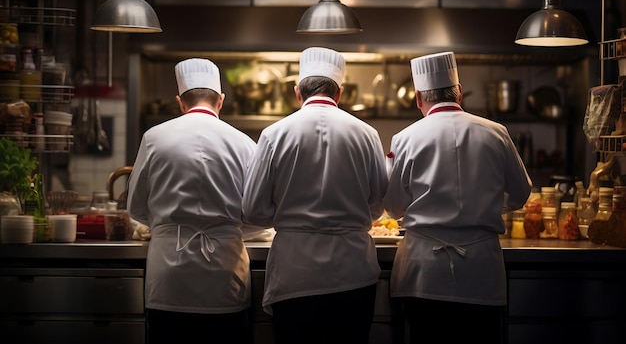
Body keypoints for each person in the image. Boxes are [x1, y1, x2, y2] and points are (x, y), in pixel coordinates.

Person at [382, 51, 532, 344]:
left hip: (424, 274)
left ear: (418, 98)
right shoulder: (496, 133)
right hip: (481, 273)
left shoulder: (406, 138)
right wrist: (485, 204)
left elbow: (393, 208)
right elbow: (521, 193)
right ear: (459, 92)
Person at [241, 46, 389, 344]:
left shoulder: (274, 134)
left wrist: (287, 217)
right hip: (353, 272)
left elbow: (253, 209)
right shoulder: (367, 133)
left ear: (297, 92)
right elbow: (377, 205)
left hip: (296, 273)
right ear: (340, 93)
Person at [127, 58, 257, 344]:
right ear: (220, 101)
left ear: (179, 102)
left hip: (169, 280)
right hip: (226, 278)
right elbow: (256, 213)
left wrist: (169, 226)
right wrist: (228, 229)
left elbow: (135, 207)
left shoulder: (154, 138)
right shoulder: (245, 143)